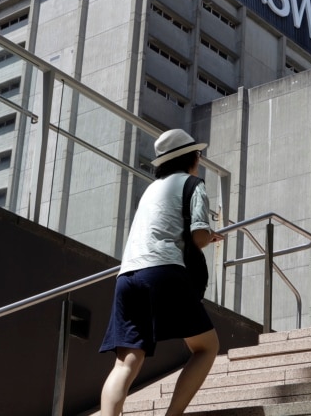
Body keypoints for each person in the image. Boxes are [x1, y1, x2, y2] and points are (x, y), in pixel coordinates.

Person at [99, 128, 225, 416]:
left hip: (127, 275)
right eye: (199, 155)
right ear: (192, 158)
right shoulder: (193, 184)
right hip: (163, 271)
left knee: (126, 361)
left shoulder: (151, 190)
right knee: (207, 347)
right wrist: (209, 235)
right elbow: (197, 237)